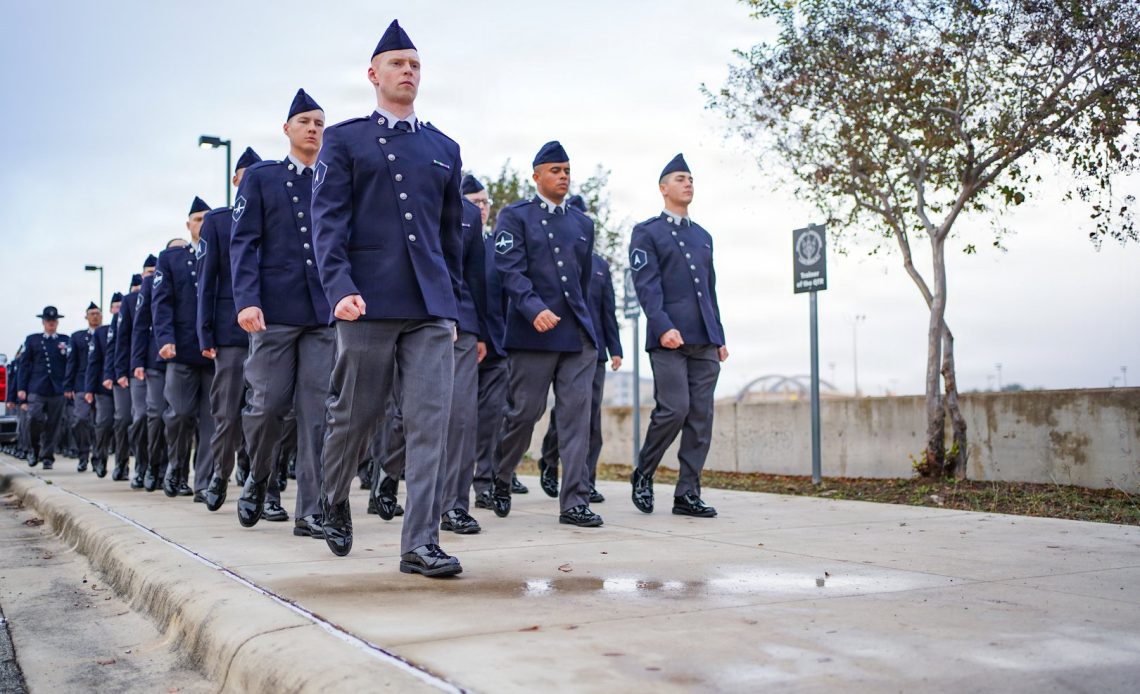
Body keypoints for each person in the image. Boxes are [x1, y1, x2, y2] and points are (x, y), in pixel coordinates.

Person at [312, 19, 464, 577]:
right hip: (366, 301)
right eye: (398, 64)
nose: (408, 72)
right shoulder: (345, 140)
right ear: (374, 74)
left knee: (430, 424)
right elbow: (327, 222)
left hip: (429, 308)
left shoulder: (444, 148)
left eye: (415, 65)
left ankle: (420, 543)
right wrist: (339, 288)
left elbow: (450, 239)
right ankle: (333, 498)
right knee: (354, 416)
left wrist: (452, 307)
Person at [230, 91, 330, 536]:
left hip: (324, 314)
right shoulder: (262, 178)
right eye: (305, 122)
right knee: (267, 405)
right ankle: (258, 475)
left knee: (317, 413)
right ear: (287, 129)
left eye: (319, 123)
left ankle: (310, 510)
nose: (313, 129)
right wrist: (247, 300)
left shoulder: (334, 177)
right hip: (273, 312)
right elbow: (243, 243)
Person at [492, 141, 602, 528]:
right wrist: (533, 307)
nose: (563, 176)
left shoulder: (582, 224)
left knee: (576, 420)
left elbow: (583, 281)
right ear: (536, 176)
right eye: (555, 170)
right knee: (524, 414)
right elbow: (509, 268)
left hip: (577, 336)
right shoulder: (515, 216)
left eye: (567, 170)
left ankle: (575, 502)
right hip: (533, 333)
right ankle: (501, 474)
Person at [627, 154, 728, 518]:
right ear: (663, 188)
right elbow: (647, 285)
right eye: (680, 178)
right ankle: (644, 471)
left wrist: (719, 336)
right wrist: (662, 325)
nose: (688, 183)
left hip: (704, 338)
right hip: (668, 338)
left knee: (701, 417)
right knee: (674, 409)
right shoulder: (647, 232)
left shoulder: (703, 236)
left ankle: (687, 493)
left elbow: (709, 290)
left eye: (691, 179)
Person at [537, 195, 623, 503]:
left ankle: (586, 481)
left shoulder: (600, 266)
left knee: (591, 420)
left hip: (593, 349)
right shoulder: (551, 259)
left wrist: (615, 348)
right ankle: (549, 461)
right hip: (561, 344)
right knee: (566, 415)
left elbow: (607, 310)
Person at [197, 146, 261, 512]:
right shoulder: (219, 221)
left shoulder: (273, 215)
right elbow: (207, 282)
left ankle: (262, 485)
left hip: (269, 329)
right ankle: (220, 473)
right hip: (231, 334)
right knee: (227, 413)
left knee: (268, 412)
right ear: (235, 181)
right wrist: (205, 333)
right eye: (246, 176)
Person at [153, 197, 216, 499]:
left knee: (212, 419)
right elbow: (161, 303)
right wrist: (165, 339)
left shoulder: (222, 252)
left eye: (207, 219)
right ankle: (176, 468)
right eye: (198, 219)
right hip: (181, 349)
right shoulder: (171, 259)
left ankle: (204, 482)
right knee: (179, 414)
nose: (202, 224)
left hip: (214, 350)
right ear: (188, 224)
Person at [133, 244, 182, 492]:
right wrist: (137, 362)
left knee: (180, 418)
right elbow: (140, 326)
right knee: (154, 416)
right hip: (156, 362)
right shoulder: (152, 283)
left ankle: (175, 472)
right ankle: (151, 466)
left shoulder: (192, 274)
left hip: (185, 357)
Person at [16, 306, 70, 469]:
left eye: (53, 320)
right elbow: (24, 365)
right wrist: (21, 387)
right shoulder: (32, 340)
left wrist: (69, 385)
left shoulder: (65, 340)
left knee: (53, 424)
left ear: (57, 322)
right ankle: (34, 448)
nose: (51, 323)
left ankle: (47, 456)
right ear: (43, 322)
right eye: (48, 320)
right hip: (37, 387)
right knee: (33, 418)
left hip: (57, 389)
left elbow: (70, 365)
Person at [115, 271, 147, 487]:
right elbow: (122, 339)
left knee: (162, 420)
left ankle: (159, 470)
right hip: (137, 369)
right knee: (139, 417)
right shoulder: (131, 301)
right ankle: (139, 466)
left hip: (166, 364)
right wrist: (119, 372)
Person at [64, 302, 102, 474]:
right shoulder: (77, 337)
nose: (95, 316)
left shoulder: (107, 333)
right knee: (80, 420)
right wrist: (68, 385)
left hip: (101, 384)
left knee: (101, 423)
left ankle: (98, 457)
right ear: (86, 316)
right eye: (92, 313)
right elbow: (71, 362)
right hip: (81, 384)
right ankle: (83, 454)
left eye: (97, 313)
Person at [87, 293, 120, 478]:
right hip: (104, 387)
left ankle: (121, 463)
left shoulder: (131, 326)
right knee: (104, 423)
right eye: (115, 307)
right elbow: (93, 362)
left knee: (123, 424)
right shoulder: (101, 332)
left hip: (125, 385)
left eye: (121, 306)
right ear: (110, 310)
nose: (118, 309)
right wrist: (89, 389)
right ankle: (100, 458)